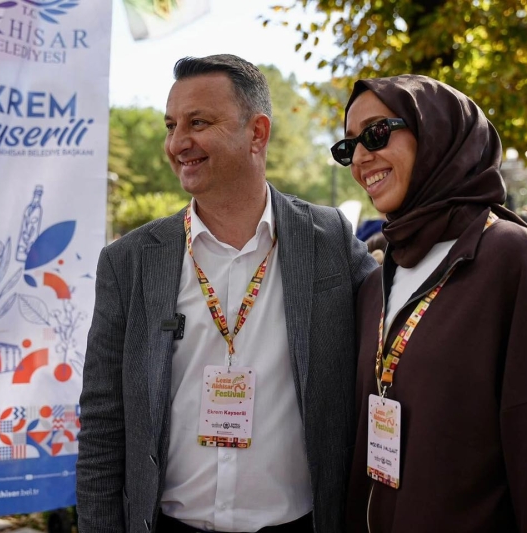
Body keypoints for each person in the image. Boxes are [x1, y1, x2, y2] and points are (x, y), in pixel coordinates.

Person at [76, 54, 376, 533]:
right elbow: (102, 425)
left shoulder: (330, 242)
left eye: (198, 123)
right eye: (171, 125)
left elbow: (397, 336)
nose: (177, 142)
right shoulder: (128, 262)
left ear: (257, 132)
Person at [332, 75, 527, 532]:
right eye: (348, 146)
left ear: (437, 133)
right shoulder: (377, 278)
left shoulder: (511, 257)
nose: (360, 158)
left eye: (376, 133)